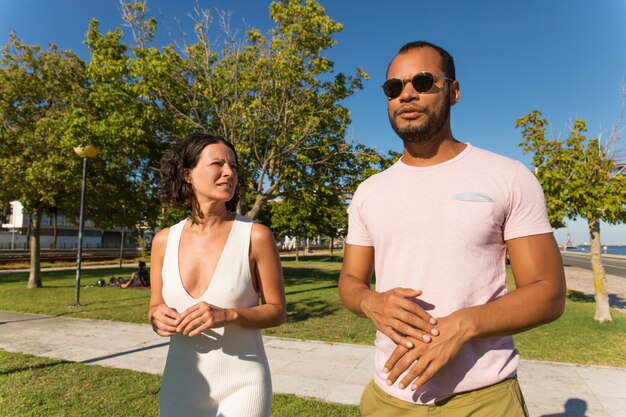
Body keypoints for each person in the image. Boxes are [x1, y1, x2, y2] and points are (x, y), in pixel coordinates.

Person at [338, 41, 566, 416]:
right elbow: (350, 279)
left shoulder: (508, 176)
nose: (406, 94)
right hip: (388, 399)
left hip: (484, 399)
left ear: (454, 92)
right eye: (393, 88)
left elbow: (549, 293)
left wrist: (462, 326)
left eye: (423, 81)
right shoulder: (368, 192)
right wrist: (369, 302)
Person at [149, 132, 286, 417]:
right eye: (217, 164)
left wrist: (227, 315)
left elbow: (277, 311)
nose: (229, 173)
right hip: (180, 383)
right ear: (188, 174)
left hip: (243, 384)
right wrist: (156, 317)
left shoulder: (255, 236)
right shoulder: (163, 240)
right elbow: (154, 306)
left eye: (233, 166)